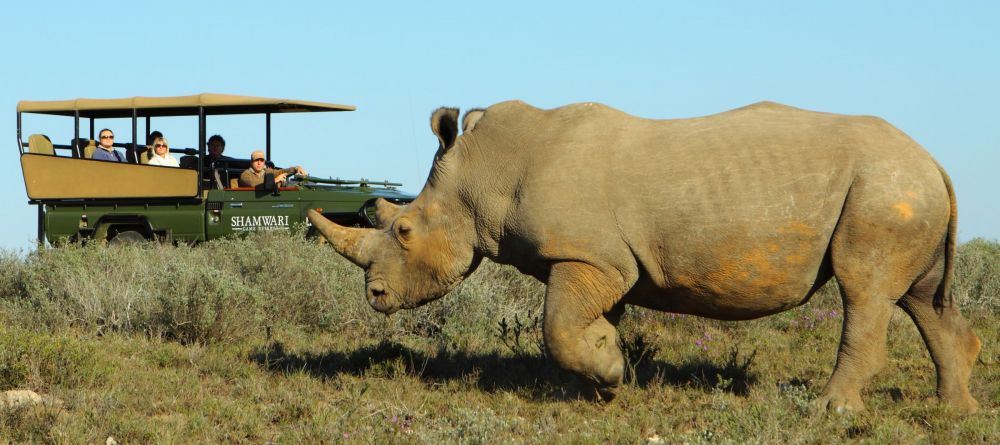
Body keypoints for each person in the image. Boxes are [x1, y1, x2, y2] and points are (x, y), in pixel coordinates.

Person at [238, 150, 307, 187]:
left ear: (264, 162)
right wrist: (275, 180)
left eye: (261, 160)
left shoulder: (267, 171)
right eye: (256, 160)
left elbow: (281, 172)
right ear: (251, 162)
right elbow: (255, 184)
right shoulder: (245, 175)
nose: (259, 163)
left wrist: (296, 168)